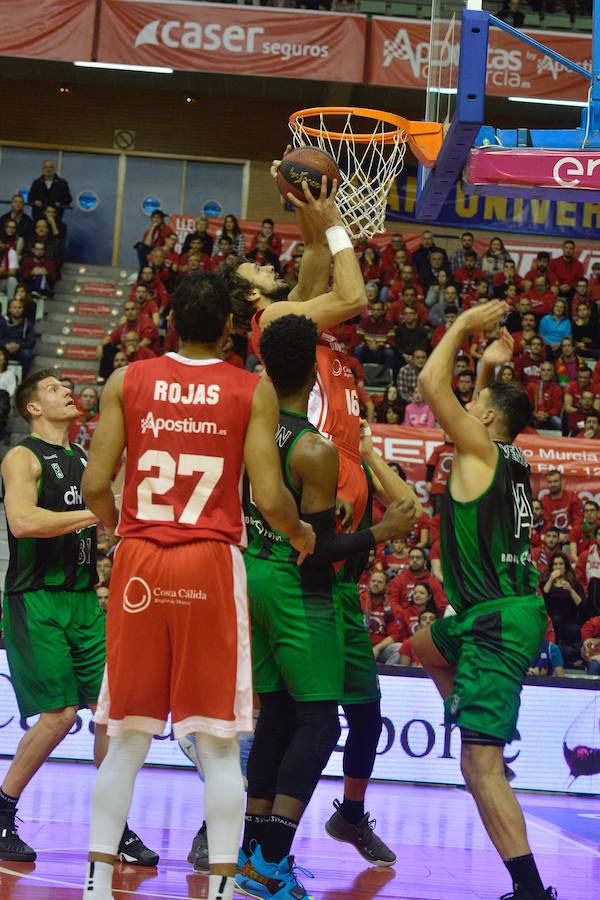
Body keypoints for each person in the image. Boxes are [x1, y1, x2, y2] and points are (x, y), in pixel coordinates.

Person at [80, 272, 315, 900]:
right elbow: (268, 495)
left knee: (127, 736)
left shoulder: (126, 379)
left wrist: (123, 530)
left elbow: (95, 486)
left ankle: (97, 886)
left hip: (140, 560)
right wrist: (299, 534)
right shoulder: (252, 388)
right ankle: (218, 891)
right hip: (209, 561)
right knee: (216, 744)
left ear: (172, 321)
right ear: (233, 328)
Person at [223, 168, 398, 864]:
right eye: (258, 264)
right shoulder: (276, 322)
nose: (269, 259)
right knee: (304, 713)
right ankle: (259, 843)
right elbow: (351, 290)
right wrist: (332, 220)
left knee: (310, 710)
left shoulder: (283, 311)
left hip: (324, 492)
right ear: (254, 299)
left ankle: (282, 833)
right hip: (305, 510)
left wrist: (312, 208)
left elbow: (320, 266)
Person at [237, 316, 415, 899]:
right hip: (295, 587)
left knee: (278, 720)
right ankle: (272, 864)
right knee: (318, 723)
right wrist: (382, 531)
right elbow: (316, 556)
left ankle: (249, 854)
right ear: (316, 375)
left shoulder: (252, 433)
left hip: (254, 576)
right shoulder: (312, 447)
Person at [412, 301, 556, 900]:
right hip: (488, 614)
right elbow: (485, 409)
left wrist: (462, 328)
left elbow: (426, 383)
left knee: (478, 768)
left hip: (496, 620)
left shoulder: (480, 450)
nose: (466, 409)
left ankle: (530, 891)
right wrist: (490, 369)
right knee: (422, 644)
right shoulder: (512, 457)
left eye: (476, 406)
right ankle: (471, 713)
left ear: (488, 419)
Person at [0, 371, 154, 866]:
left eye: (67, 386)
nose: (67, 391)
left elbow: (118, 512)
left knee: (113, 713)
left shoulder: (85, 457)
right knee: (60, 716)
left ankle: (114, 826)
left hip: (85, 599)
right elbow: (23, 521)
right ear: (33, 409)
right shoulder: (21, 457)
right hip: (37, 598)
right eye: (52, 389)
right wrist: (94, 512)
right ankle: (2, 810)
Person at [541, 553, 585, 668]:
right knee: (556, 620)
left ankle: (568, 659)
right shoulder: (545, 583)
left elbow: (581, 605)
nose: (558, 567)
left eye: (561, 564)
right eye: (555, 564)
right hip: (552, 623)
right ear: (552, 567)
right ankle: (568, 662)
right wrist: (551, 579)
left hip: (570, 623)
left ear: (566, 566)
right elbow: (543, 598)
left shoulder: (574, 584)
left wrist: (570, 590)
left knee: (572, 628)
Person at [0, 296, 36, 374]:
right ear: (9, 309)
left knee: (27, 354)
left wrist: (19, 345)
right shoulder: (3, 322)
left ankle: (22, 382)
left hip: (20, 349)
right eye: (14, 307)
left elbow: (31, 342)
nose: (17, 310)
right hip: (4, 348)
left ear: (23, 309)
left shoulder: (28, 324)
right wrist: (6, 345)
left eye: (19, 307)